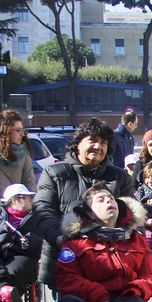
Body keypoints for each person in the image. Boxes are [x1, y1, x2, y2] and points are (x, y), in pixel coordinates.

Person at [31, 118, 134, 287]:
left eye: (103, 143)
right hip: (65, 259)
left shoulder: (119, 177)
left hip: (111, 261)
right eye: (92, 140)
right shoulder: (55, 173)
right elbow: (42, 210)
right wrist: (59, 237)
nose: (98, 146)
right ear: (78, 144)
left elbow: (131, 214)